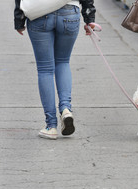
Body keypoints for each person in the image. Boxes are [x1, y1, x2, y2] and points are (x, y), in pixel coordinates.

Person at [14, 0, 96, 139]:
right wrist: (89, 18)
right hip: (69, 12)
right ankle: (65, 109)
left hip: (39, 12)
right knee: (63, 62)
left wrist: (19, 18)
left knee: (45, 69)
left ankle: (51, 126)